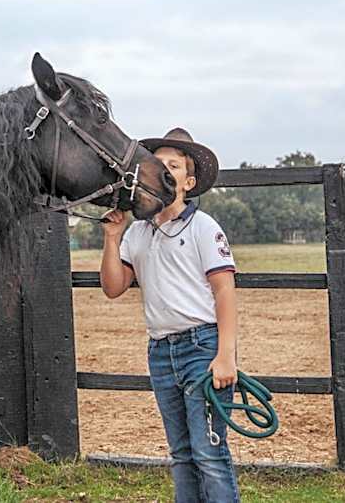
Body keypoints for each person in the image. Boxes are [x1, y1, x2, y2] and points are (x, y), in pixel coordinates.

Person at [100, 127, 240, 502]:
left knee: (208, 451)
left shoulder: (203, 227)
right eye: (158, 163)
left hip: (201, 347)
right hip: (161, 351)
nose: (164, 169)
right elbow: (113, 286)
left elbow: (224, 291)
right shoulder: (138, 233)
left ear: (188, 182)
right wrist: (112, 238)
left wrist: (225, 355)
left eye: (174, 165)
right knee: (181, 454)